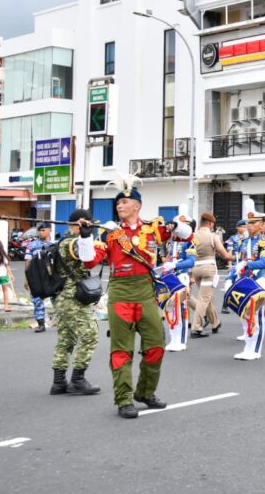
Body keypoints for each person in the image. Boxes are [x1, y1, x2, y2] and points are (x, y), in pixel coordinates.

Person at [102, 173, 171, 419]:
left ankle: (145, 392)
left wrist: (179, 225)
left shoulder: (152, 229)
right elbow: (89, 261)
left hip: (145, 292)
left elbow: (186, 234)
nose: (119, 206)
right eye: (117, 203)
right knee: (122, 351)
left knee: (156, 346)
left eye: (124, 202)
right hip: (120, 292)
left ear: (137, 205)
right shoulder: (109, 233)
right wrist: (86, 236)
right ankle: (123, 399)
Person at [49, 209, 103, 396]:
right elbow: (89, 258)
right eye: (89, 224)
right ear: (78, 225)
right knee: (90, 334)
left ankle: (58, 382)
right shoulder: (72, 243)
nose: (92, 228)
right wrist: (88, 238)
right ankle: (78, 379)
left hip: (62, 298)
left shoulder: (62, 242)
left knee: (66, 338)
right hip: (73, 299)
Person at [231, 198, 265, 361]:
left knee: (257, 318)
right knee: (245, 315)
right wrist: (230, 277)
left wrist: (247, 264)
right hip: (243, 281)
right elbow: (237, 262)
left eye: (253, 223)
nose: (249, 225)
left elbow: (264, 262)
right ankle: (247, 346)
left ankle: (255, 350)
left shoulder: (264, 241)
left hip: (257, 281)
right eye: (248, 222)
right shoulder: (243, 242)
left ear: (262, 226)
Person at [190, 213, 230, 338]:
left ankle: (215, 322)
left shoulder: (192, 236)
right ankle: (196, 328)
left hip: (195, 269)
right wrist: (235, 258)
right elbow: (224, 254)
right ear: (211, 223)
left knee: (208, 297)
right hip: (208, 269)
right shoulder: (213, 236)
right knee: (204, 298)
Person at [161, 211, 196, 353]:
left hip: (181, 276)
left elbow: (191, 261)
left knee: (180, 308)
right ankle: (173, 339)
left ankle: (181, 341)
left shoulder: (190, 242)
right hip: (170, 276)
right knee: (169, 307)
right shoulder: (172, 241)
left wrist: (175, 265)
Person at [25, 223, 55, 332]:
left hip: (51, 277)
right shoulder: (32, 245)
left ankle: (63, 322)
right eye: (39, 231)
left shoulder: (54, 245)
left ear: (49, 230)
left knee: (56, 299)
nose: (40, 233)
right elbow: (27, 262)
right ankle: (41, 324)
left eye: (43, 230)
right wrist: (27, 279)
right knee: (37, 300)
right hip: (36, 277)